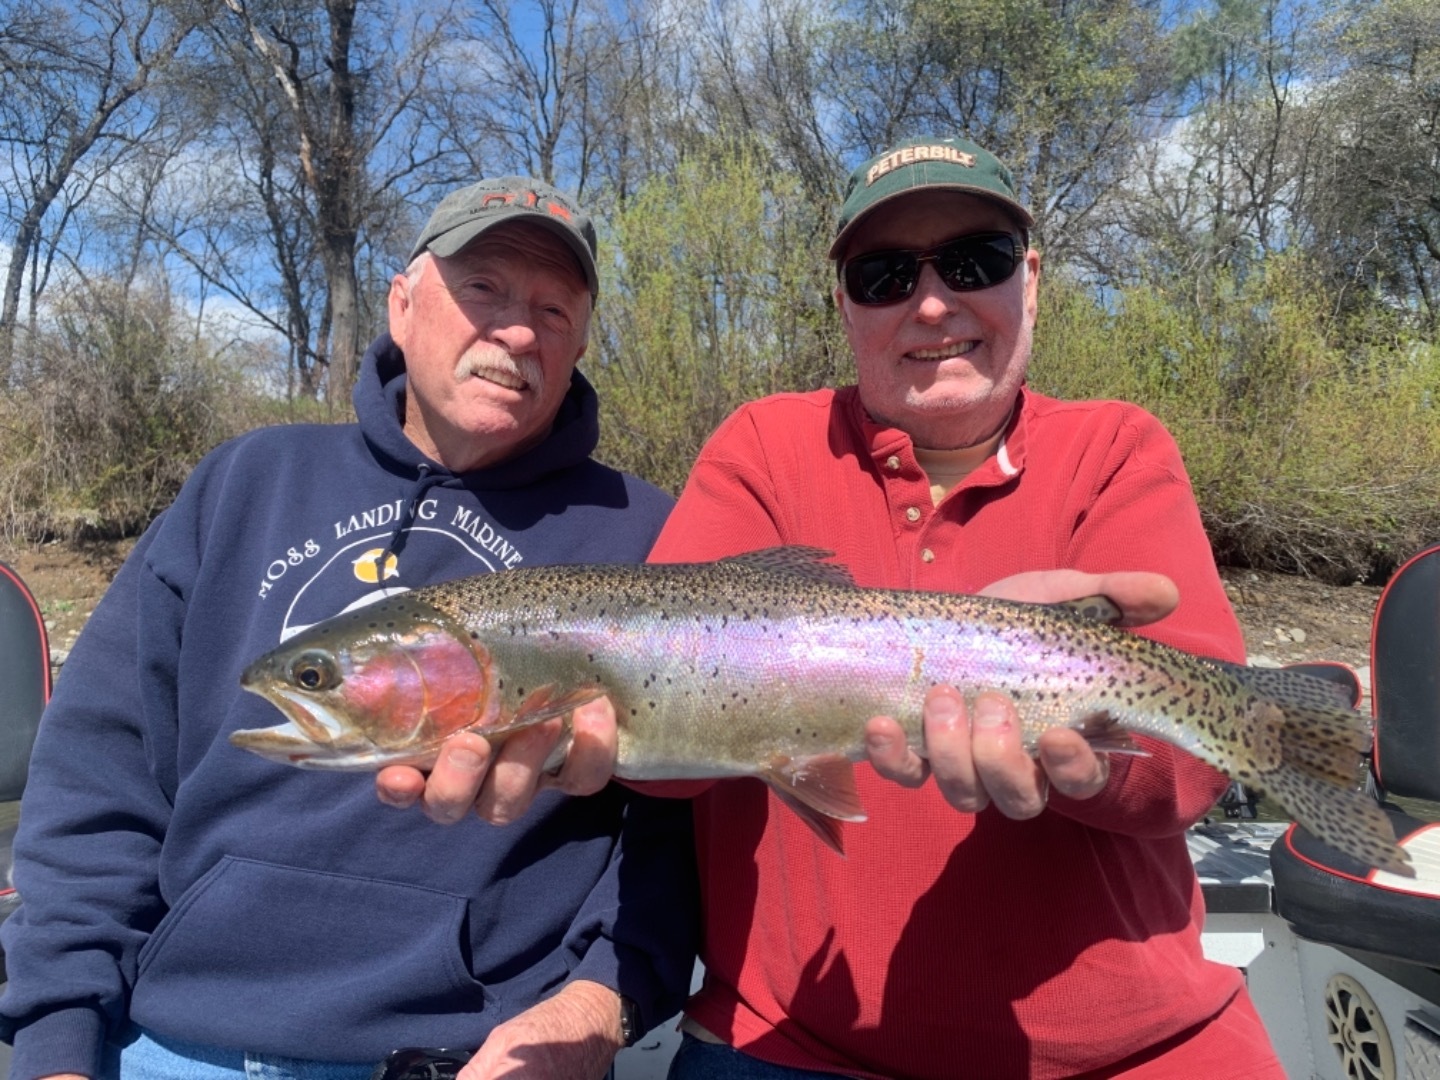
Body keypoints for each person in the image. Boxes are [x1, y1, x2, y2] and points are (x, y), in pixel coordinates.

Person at [378, 137, 1287, 1079]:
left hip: (1133, 1052)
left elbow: (1195, 772)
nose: (932, 303)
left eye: (975, 261)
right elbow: (671, 770)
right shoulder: (765, 445)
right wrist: (573, 733)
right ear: (845, 306)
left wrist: (1085, 747)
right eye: (885, 274)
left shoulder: (1119, 449)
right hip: (792, 1045)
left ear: (1033, 280)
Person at [0, 176, 699, 1080]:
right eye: (482, 287)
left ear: (580, 343)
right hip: (170, 1043)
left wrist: (598, 1003)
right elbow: (101, 779)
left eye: (554, 309)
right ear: (402, 305)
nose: (518, 331)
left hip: (483, 1055)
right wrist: (59, 1042)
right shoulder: (247, 482)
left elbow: (685, 836)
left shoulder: (647, 533)